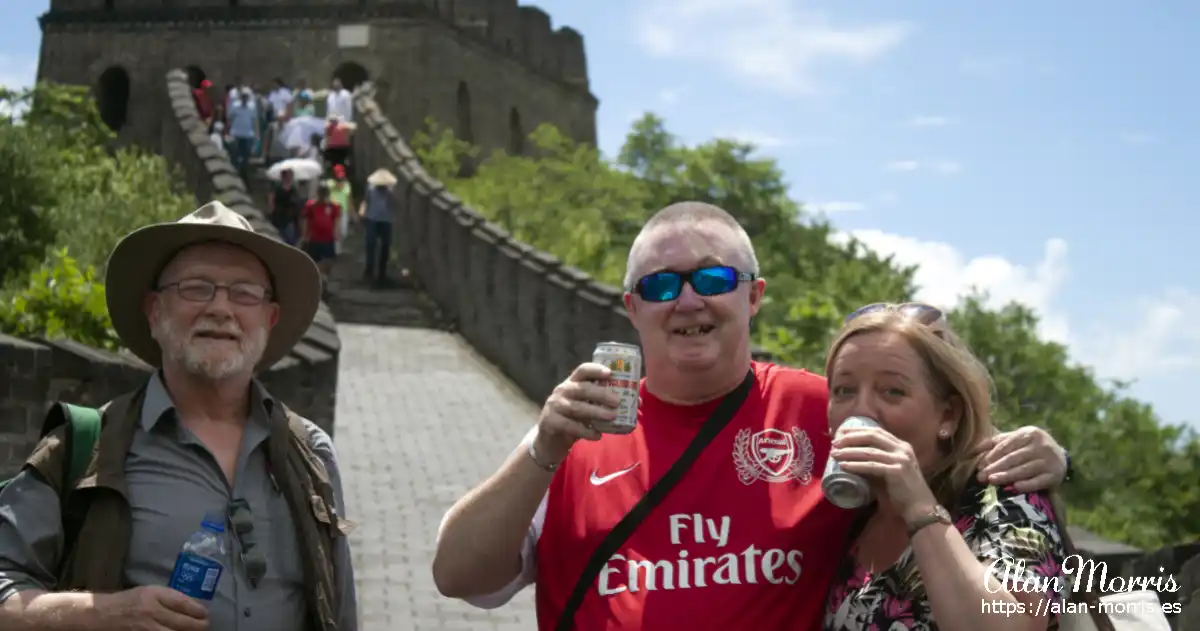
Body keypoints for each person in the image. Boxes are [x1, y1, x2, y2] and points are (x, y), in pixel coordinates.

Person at [432, 201, 1072, 631]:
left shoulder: (825, 410)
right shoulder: (578, 432)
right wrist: (542, 446)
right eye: (660, 286)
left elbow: (941, 447)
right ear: (632, 309)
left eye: (712, 277)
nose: (687, 299)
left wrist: (1050, 457)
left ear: (753, 295)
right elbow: (457, 576)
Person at [0, 201, 358, 631]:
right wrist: (103, 612)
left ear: (270, 318)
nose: (221, 308)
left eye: (244, 292)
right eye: (196, 287)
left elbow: (341, 614)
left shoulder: (311, 453)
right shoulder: (84, 446)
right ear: (155, 312)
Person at [822, 303, 1067, 630]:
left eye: (892, 391)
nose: (861, 409)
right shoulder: (850, 515)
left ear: (948, 415)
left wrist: (918, 505)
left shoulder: (1003, 494)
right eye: (844, 390)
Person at [301, 184, 342, 296]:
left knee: (328, 262)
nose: (323, 195)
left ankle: (325, 282)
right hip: (315, 238)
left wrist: (336, 234)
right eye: (321, 192)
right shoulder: (311, 206)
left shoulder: (333, 207)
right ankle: (318, 286)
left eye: (324, 193)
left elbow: (336, 221)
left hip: (328, 239)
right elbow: (306, 221)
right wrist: (305, 236)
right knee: (317, 262)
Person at [359, 169, 397, 288]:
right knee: (371, 244)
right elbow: (366, 201)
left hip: (386, 220)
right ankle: (369, 270)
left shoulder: (390, 191)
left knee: (385, 246)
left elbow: (393, 204)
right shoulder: (370, 189)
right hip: (372, 219)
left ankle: (382, 272)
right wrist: (363, 212)